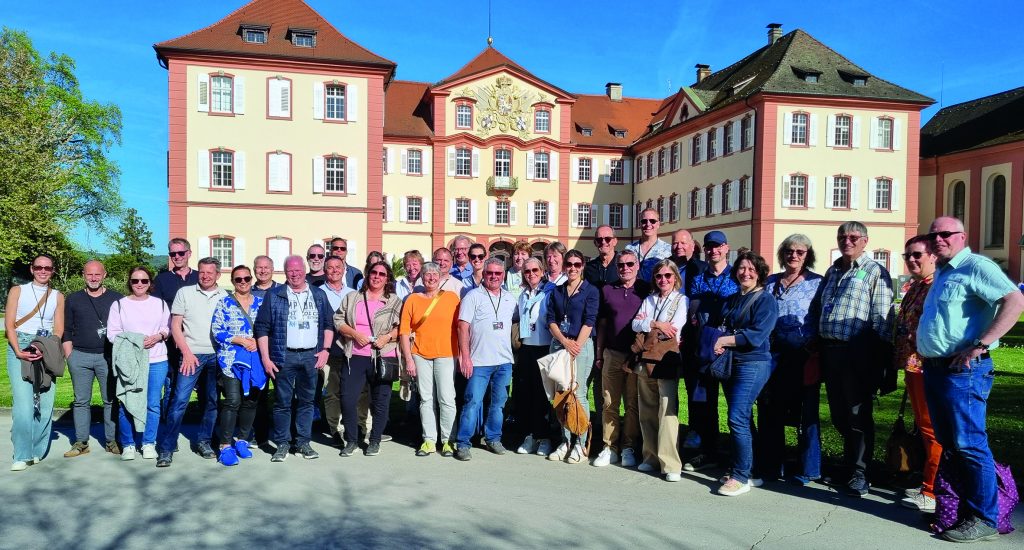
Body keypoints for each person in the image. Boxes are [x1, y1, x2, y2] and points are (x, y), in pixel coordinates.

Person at [916, 216, 1024, 542]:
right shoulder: (946, 272)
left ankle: (984, 517)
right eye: (933, 235)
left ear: (962, 236)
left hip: (963, 372)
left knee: (969, 444)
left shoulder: (977, 266)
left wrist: (980, 345)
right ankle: (960, 510)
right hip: (936, 369)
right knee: (950, 445)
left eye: (945, 234)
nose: (938, 239)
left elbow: (1014, 300)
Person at [815, 221, 894, 496]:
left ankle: (860, 472)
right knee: (838, 413)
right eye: (841, 236)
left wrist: (878, 358)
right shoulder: (833, 270)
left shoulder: (875, 272)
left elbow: (883, 318)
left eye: (852, 237)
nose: (846, 241)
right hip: (830, 351)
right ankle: (849, 464)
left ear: (865, 241)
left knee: (858, 414)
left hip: (857, 352)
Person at [756, 235, 823, 485]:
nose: (793, 255)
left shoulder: (818, 283)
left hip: (804, 354)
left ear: (808, 255)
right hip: (773, 354)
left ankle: (808, 468)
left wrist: (815, 344)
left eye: (800, 252)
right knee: (770, 409)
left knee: (807, 413)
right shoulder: (771, 281)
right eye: (789, 251)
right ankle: (772, 465)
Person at [254, 255, 334, 462]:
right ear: (285, 272)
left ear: (304, 270)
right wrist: (266, 358)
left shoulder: (318, 295)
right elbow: (262, 328)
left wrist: (325, 349)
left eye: (298, 270)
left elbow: (328, 324)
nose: (295, 273)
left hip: (311, 355)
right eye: (290, 270)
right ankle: (282, 444)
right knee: (282, 402)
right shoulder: (274, 295)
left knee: (307, 402)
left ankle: (303, 443)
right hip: (284, 356)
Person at [712, 251, 779, 496]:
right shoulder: (733, 299)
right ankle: (751, 470)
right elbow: (724, 324)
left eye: (751, 269)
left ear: (760, 273)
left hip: (753, 363)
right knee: (744, 418)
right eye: (741, 268)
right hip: (733, 362)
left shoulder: (765, 300)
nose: (746, 273)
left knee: (737, 417)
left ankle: (740, 477)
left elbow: (756, 335)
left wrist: (725, 339)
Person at [158, 257, 227, 467]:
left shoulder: (225, 296)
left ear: (218, 275)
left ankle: (204, 441)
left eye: (210, 272)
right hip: (191, 355)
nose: (205, 276)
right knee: (179, 401)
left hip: (216, 356)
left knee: (212, 401)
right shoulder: (185, 293)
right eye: (203, 272)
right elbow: (175, 325)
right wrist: (186, 353)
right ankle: (167, 448)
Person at [682, 230, 738, 472]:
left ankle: (741, 458)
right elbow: (693, 309)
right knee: (706, 405)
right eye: (709, 247)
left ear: (726, 248)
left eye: (717, 246)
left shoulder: (737, 275)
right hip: (704, 346)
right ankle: (710, 452)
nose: (713, 250)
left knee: (736, 405)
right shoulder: (698, 278)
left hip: (730, 348)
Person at [893, 235, 941, 512]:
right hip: (913, 366)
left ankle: (932, 491)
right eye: (907, 255)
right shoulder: (915, 287)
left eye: (917, 255)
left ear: (933, 256)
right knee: (924, 427)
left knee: (931, 428)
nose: (911, 259)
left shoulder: (936, 287)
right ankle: (928, 481)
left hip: (927, 366)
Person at [453, 258, 518, 461]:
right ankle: (463, 443)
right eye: (490, 273)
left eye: (498, 274)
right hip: (479, 361)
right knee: (472, 402)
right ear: (484, 274)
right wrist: (465, 357)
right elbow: (462, 327)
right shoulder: (473, 296)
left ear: (503, 275)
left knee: (498, 403)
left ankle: (493, 438)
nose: (493, 277)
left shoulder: (510, 298)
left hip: (504, 361)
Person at [335, 260, 402, 457]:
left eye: (382, 274)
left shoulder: (394, 301)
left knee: (380, 402)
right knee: (347, 399)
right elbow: (338, 320)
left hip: (383, 356)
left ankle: (374, 441)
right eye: (374, 272)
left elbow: (403, 328)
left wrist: (387, 337)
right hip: (355, 355)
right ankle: (352, 440)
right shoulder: (353, 297)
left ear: (387, 278)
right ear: (368, 274)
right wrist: (355, 334)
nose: (377, 276)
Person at [5, 254, 64, 471]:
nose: (43, 271)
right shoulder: (18, 290)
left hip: (46, 345)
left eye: (47, 268)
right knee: (24, 405)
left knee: (46, 404)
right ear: (32, 269)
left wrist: (43, 346)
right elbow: (9, 324)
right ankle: (22, 454)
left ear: (53, 270)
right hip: (19, 343)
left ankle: (36, 450)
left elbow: (58, 329)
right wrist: (19, 350)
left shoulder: (57, 295)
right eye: (39, 267)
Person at [631, 259, 687, 481]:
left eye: (667, 276)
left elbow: (675, 328)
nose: (663, 280)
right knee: (647, 409)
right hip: (646, 358)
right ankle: (650, 457)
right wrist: (657, 324)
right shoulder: (649, 299)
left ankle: (671, 464)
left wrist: (651, 324)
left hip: (666, 359)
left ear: (675, 278)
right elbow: (636, 324)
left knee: (667, 411)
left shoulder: (681, 300)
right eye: (659, 276)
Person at [106, 266, 170, 461]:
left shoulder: (159, 304)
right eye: (135, 281)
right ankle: (128, 444)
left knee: (152, 404)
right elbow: (112, 334)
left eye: (144, 281)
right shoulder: (119, 305)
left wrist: (158, 336)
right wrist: (135, 340)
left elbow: (166, 328)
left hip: (156, 360)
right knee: (126, 402)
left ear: (150, 283)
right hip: (130, 362)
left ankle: (149, 442)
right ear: (130, 282)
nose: (139, 284)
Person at [61, 260, 123, 457]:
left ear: (104, 275)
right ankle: (81, 443)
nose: (93, 278)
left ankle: (112, 441)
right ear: (83, 275)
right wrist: (70, 356)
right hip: (80, 356)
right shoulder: (73, 299)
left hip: (108, 357)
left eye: (97, 274)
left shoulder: (117, 299)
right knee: (80, 401)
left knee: (111, 400)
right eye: (89, 274)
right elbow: (67, 330)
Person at [593, 250, 648, 468]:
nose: (625, 268)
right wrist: (599, 354)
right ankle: (609, 447)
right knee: (609, 402)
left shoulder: (645, 289)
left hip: (635, 355)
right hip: (612, 353)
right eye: (621, 265)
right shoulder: (608, 290)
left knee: (632, 404)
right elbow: (603, 324)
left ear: (637, 266)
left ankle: (628, 447)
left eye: (629, 264)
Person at [399, 262, 460, 457]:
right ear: (421, 278)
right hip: (420, 354)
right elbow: (404, 332)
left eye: (435, 274)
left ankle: (449, 439)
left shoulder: (452, 298)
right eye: (427, 274)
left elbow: (461, 326)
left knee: (447, 398)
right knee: (426, 399)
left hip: (446, 354)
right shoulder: (412, 300)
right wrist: (408, 359)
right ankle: (429, 440)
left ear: (441, 277)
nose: (431, 278)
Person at [546, 249, 599, 464]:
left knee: (579, 393)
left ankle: (581, 442)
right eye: (569, 264)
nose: (573, 268)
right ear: (565, 265)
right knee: (561, 394)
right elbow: (550, 319)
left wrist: (575, 344)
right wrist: (564, 341)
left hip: (581, 346)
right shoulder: (557, 291)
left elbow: (590, 320)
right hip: (560, 344)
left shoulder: (590, 291)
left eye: (578, 264)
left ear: (583, 266)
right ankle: (565, 440)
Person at [211, 265, 266, 466]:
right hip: (231, 361)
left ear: (251, 279)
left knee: (251, 400)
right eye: (238, 279)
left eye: (246, 278)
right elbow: (217, 331)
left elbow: (267, 328)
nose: (243, 282)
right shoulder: (224, 303)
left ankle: (242, 440)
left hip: (255, 359)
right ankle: (225, 445)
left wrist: (256, 342)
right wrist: (241, 340)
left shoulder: (261, 303)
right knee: (233, 401)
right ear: (233, 282)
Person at [513, 257, 557, 457]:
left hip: (545, 347)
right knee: (526, 394)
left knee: (543, 396)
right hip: (527, 348)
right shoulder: (523, 295)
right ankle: (530, 435)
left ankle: (545, 438)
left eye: (535, 271)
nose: (531, 274)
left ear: (542, 271)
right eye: (527, 271)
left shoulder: (550, 292)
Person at [320, 256, 357, 446]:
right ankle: (334, 429)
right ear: (325, 270)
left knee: (353, 391)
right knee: (332, 391)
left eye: (338, 267)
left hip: (352, 349)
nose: (334, 271)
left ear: (344, 270)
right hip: (329, 351)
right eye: (330, 268)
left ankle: (355, 427)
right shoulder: (317, 293)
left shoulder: (353, 293)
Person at [626, 208, 671, 282]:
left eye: (652, 221)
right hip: (634, 291)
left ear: (658, 224)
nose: (648, 224)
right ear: (640, 224)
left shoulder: (668, 250)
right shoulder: (630, 249)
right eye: (644, 221)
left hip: (656, 292)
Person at [152, 238, 199, 307]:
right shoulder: (161, 279)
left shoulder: (200, 277)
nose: (177, 257)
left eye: (181, 253)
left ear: (189, 254)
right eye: (173, 254)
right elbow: (155, 306)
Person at [670, 229, 706, 296]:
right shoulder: (665, 266)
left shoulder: (702, 269)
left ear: (692, 246)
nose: (679, 247)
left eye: (683, 243)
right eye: (675, 243)